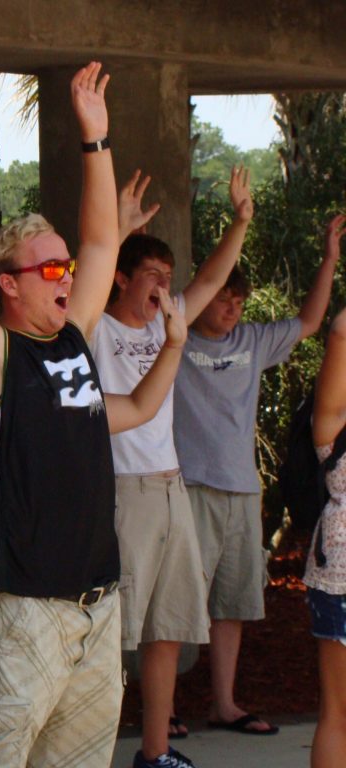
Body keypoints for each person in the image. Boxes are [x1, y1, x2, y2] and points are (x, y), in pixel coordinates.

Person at [0, 57, 189, 768]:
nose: (69, 276)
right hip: (20, 613)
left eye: (65, 268)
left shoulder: (73, 336)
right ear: (9, 286)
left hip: (96, 607)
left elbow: (105, 242)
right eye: (51, 270)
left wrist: (96, 138)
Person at [88, 163, 254, 767]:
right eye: (151, 275)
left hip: (171, 488)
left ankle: (154, 754)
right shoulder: (96, 330)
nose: (163, 286)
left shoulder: (168, 322)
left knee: (168, 626)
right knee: (115, 633)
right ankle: (94, 751)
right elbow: (90, 278)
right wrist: (116, 227)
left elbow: (212, 277)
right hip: (122, 492)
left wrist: (239, 223)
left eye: (167, 275)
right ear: (122, 278)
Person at [172, 213, 345, 737]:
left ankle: (223, 703)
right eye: (224, 299)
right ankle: (167, 708)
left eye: (239, 302)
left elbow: (313, 323)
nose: (231, 310)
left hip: (244, 491)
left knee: (234, 602)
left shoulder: (252, 341)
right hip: (190, 489)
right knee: (179, 604)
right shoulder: (174, 341)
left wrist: (331, 258)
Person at [307, 294, 346, 768]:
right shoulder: (331, 428)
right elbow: (338, 333)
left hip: (335, 578)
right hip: (339, 577)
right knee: (337, 712)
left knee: (336, 712)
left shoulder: (330, 427)